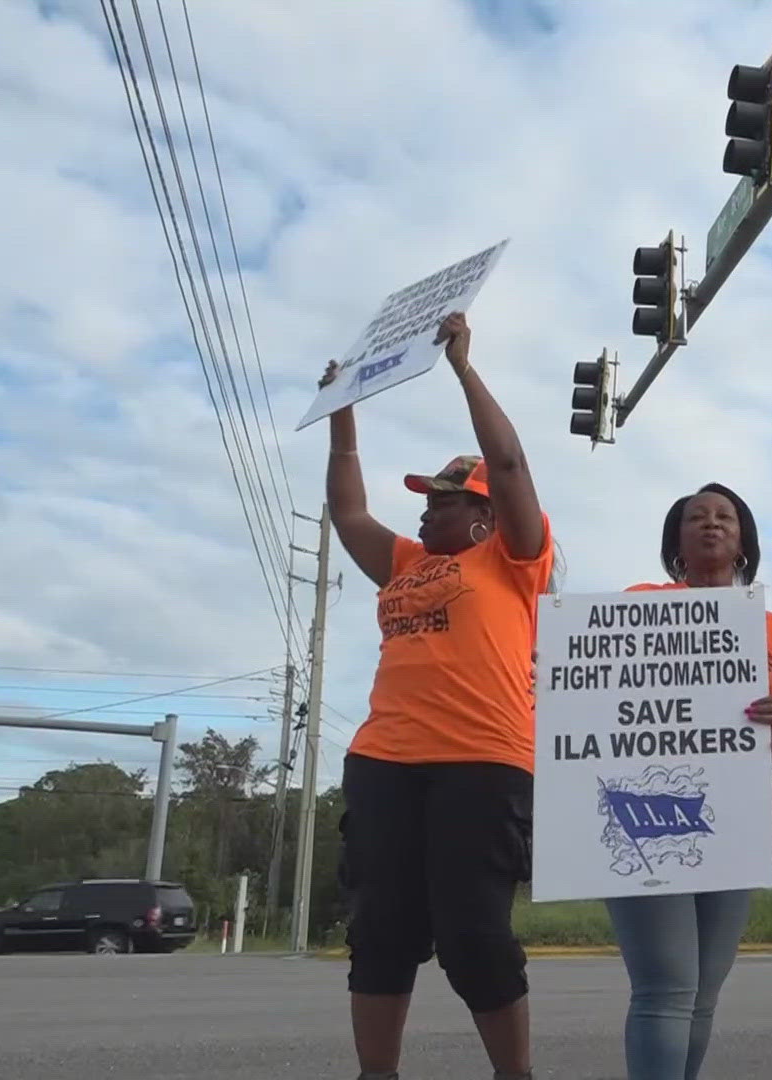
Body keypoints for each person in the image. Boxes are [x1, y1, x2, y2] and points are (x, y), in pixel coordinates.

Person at [324, 312, 551, 1080]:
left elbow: (511, 462)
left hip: (482, 762)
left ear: (484, 514)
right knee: (381, 929)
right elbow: (349, 514)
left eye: (445, 499)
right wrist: (341, 416)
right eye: (427, 499)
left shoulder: (514, 559)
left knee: (473, 935)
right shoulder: (407, 561)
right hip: (385, 761)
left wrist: (462, 369)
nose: (427, 509)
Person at [606, 483, 772, 1080]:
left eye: (725, 517)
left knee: (702, 993)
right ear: (677, 540)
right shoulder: (639, 602)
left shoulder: (766, 626)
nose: (711, 524)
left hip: (732, 822)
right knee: (665, 989)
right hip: (647, 813)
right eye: (697, 517)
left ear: (744, 541)